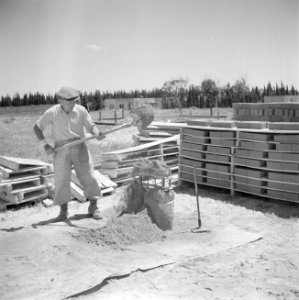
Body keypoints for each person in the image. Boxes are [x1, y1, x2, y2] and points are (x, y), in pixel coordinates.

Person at [33, 87, 105, 221]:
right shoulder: (52, 112)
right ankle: (63, 212)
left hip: (80, 146)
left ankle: (93, 207)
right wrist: (45, 145)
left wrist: (97, 133)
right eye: (70, 101)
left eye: (75, 101)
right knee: (61, 180)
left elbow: (91, 126)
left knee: (89, 176)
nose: (73, 104)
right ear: (60, 100)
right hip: (61, 150)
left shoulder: (81, 110)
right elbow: (37, 127)